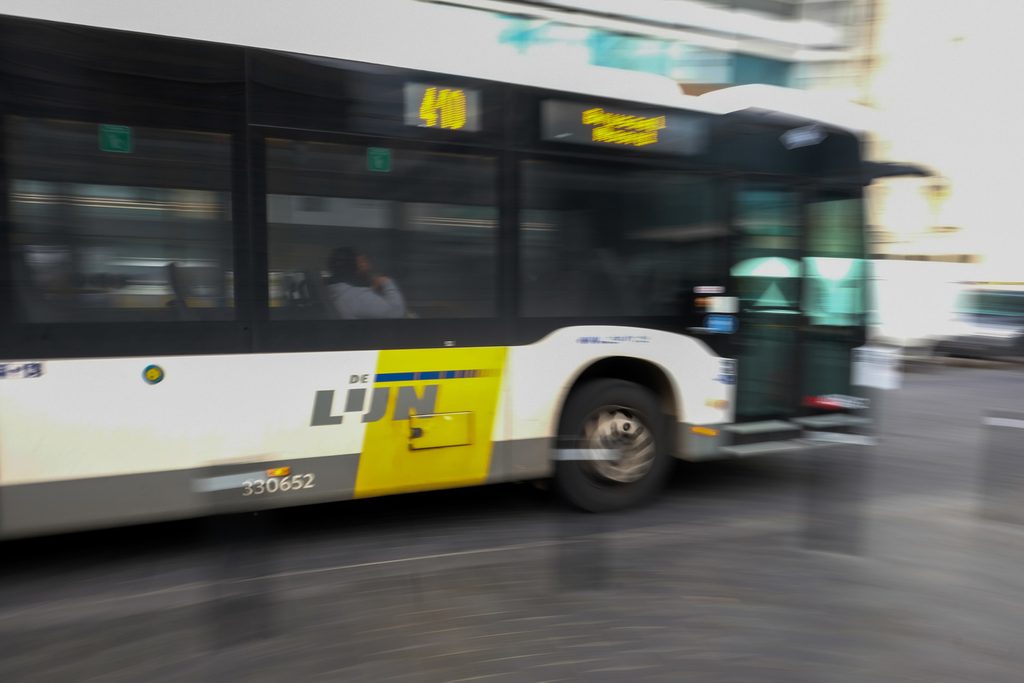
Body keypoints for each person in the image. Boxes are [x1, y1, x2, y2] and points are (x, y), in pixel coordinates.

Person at [325, 247, 406, 319]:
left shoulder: (335, 291)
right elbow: (396, 313)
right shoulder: (356, 297)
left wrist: (372, 291)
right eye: (362, 262)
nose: (368, 266)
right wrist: (387, 282)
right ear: (353, 267)